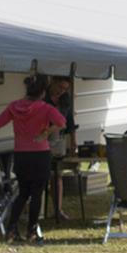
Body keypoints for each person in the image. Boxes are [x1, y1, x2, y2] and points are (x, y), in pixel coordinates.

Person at [0, 74, 66, 243]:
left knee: (22, 193)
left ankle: (11, 229)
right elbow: (61, 122)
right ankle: (31, 231)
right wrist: (46, 132)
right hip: (40, 154)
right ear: (43, 92)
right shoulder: (45, 108)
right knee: (36, 194)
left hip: (21, 155)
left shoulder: (15, 106)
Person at [45, 76, 77, 221]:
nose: (61, 91)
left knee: (57, 174)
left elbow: (69, 121)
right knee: (42, 176)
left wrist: (73, 141)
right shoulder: (43, 97)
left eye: (65, 89)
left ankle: (58, 210)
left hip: (59, 141)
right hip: (43, 139)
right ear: (53, 83)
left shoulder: (65, 100)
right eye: (60, 87)